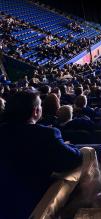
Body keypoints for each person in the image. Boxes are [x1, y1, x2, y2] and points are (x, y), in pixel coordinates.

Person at [0, 90, 82, 219]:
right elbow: (73, 160)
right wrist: (68, 146)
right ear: (35, 111)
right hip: (32, 206)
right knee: (88, 153)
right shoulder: (46, 134)